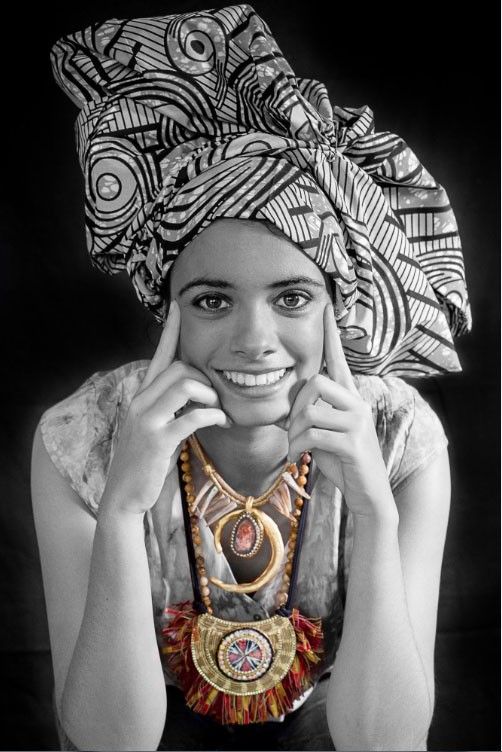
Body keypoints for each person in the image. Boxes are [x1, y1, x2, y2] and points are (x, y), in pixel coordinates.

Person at [31, 5, 471, 751]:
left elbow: (385, 742)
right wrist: (122, 511)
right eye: (212, 301)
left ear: (338, 307)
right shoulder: (82, 438)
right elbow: (107, 741)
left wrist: (374, 511)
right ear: (165, 306)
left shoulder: (400, 438)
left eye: (292, 298)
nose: (255, 342)